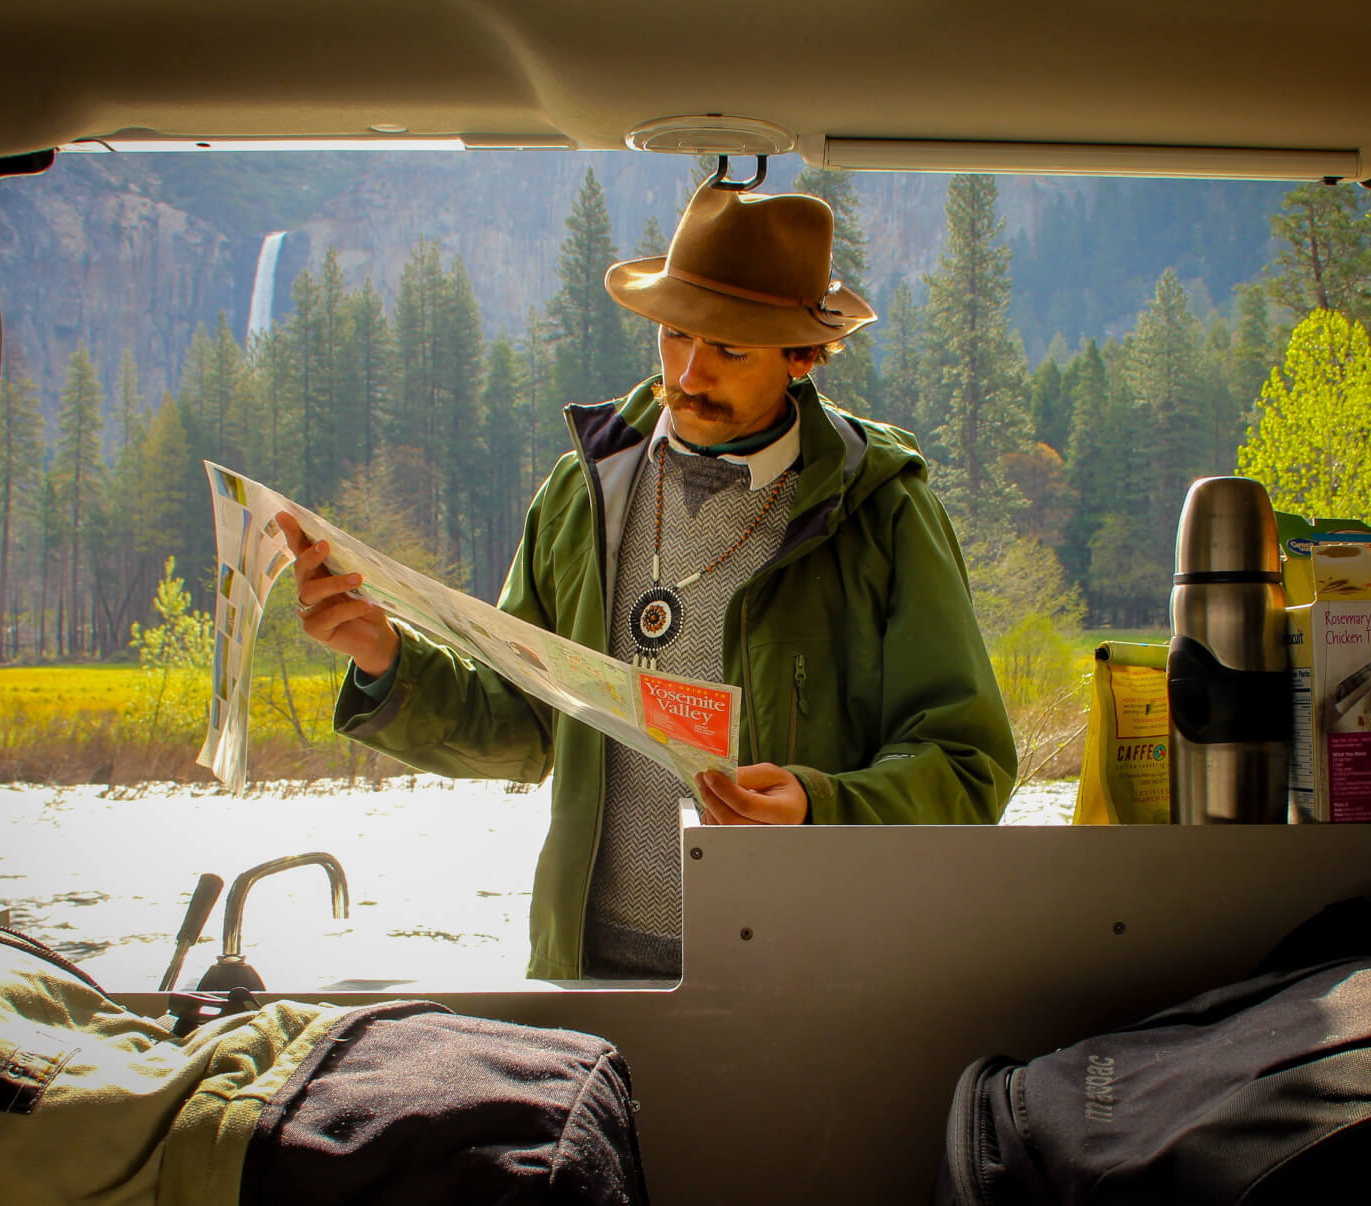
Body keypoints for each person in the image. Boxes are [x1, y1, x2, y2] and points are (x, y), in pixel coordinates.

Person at [276, 182, 1015, 980]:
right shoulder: (579, 494)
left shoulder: (884, 513)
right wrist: (388, 658)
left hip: (802, 979)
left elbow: (965, 765)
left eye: (729, 350)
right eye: (674, 335)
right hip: (590, 971)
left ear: (800, 356)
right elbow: (522, 727)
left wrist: (815, 806)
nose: (689, 373)